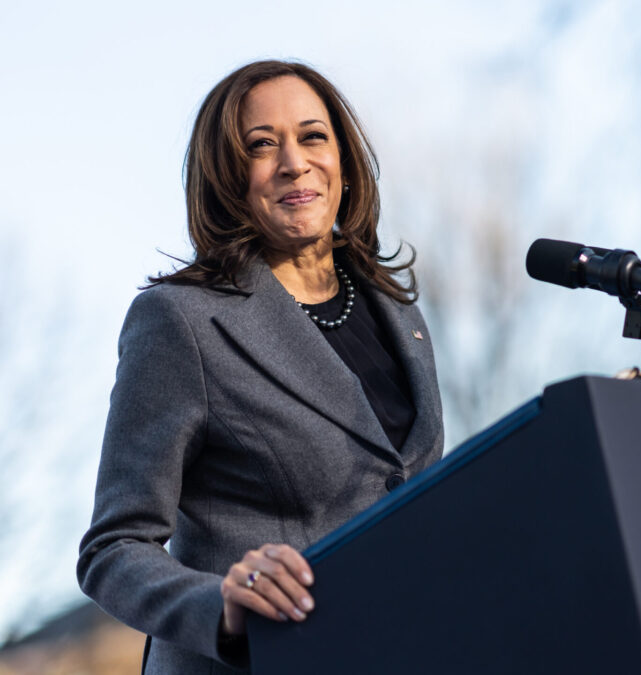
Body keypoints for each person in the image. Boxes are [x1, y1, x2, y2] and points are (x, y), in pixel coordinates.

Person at [77, 60, 444, 673]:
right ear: (228, 180)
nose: (293, 161)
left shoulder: (398, 312)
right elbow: (113, 549)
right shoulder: (180, 322)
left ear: (345, 164)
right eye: (261, 145)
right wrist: (218, 605)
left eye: (312, 137)